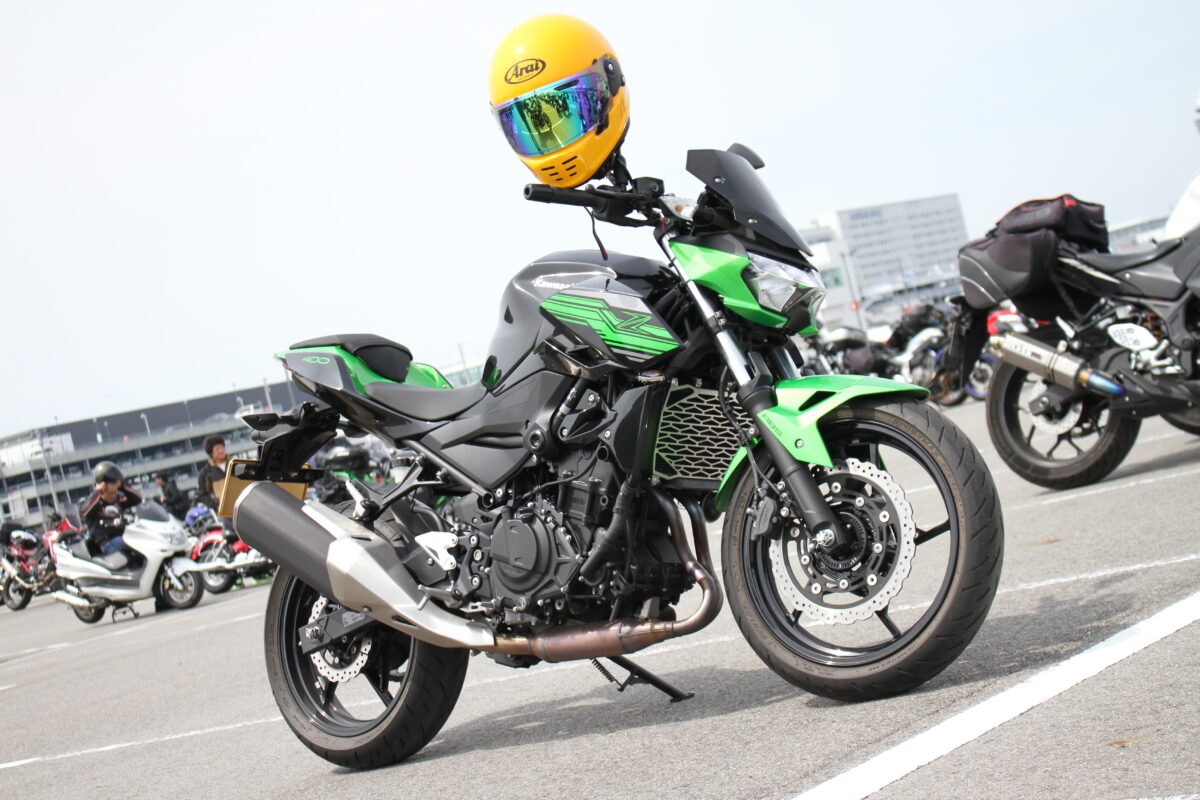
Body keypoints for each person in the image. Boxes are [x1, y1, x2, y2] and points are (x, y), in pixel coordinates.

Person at [79, 461, 141, 558]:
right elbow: (83, 511)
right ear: (104, 484)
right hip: (107, 544)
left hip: (124, 537)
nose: (117, 486)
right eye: (114, 482)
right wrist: (98, 491)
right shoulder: (94, 504)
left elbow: (137, 498)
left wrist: (123, 486)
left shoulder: (118, 500)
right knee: (133, 543)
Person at [196, 434, 229, 510]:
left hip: (243, 508)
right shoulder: (206, 473)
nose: (221, 451)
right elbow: (201, 494)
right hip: (224, 512)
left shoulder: (235, 464)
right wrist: (215, 505)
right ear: (211, 453)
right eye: (217, 449)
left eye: (222, 447)